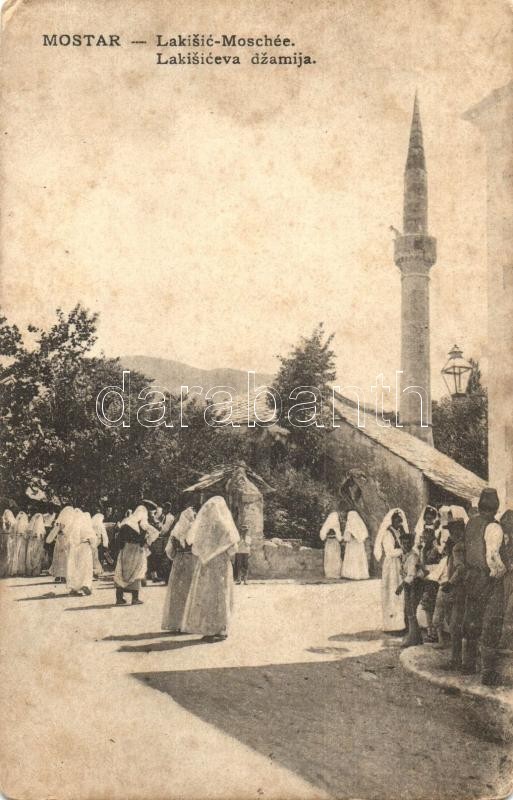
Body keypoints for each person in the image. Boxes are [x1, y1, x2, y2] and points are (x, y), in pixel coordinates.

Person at [181, 496, 240, 642]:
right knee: (219, 595)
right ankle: (219, 629)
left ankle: (213, 629)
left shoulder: (205, 527)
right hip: (220, 565)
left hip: (206, 566)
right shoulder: (225, 526)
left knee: (208, 595)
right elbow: (233, 548)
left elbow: (194, 547)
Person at [462, 487, 504, 675]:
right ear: (496, 507)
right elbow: (492, 557)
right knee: (491, 621)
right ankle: (488, 672)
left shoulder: (471, 523)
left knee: (472, 619)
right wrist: (503, 571)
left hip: (470, 577)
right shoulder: (493, 527)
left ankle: (468, 664)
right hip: (486, 578)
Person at [114, 503, 160, 605]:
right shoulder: (143, 523)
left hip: (125, 549)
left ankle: (119, 598)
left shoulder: (126, 522)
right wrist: (147, 543)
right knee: (137, 571)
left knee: (122, 572)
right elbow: (155, 533)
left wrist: (121, 548)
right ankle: (135, 598)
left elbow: (118, 538)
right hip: (136, 550)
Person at [161, 506, 197, 633]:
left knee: (177, 592)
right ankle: (189, 623)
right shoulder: (195, 529)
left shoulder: (176, 531)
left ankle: (176, 623)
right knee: (190, 591)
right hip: (192, 561)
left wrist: (176, 556)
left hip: (178, 562)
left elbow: (169, 551)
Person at [374, 508, 408, 633]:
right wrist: (403, 551)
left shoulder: (400, 531)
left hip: (400, 564)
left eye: (400, 521)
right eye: (396, 520)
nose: (399, 523)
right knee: (392, 592)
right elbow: (389, 551)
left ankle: (400, 624)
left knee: (401, 593)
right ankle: (391, 625)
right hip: (392, 565)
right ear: (391, 520)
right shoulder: (388, 533)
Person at [396, 529, 425, 648]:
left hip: (415, 584)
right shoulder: (404, 555)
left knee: (411, 610)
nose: (406, 545)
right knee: (408, 610)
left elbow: (411, 574)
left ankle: (413, 637)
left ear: (412, 544)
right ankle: (415, 636)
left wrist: (401, 586)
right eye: (403, 543)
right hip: (409, 584)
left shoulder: (413, 556)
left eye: (408, 543)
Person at [67, 511, 96, 596]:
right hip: (85, 548)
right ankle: (85, 585)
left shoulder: (74, 526)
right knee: (86, 567)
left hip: (75, 548)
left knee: (76, 568)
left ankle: (74, 588)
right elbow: (93, 540)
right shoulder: (87, 527)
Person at [47, 506, 74, 583]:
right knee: (62, 558)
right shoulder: (65, 522)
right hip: (63, 540)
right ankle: (61, 575)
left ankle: (62, 575)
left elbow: (55, 532)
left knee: (61, 558)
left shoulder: (63, 522)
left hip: (63, 540)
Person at [149, 502, 175, 583]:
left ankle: (166, 578)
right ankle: (159, 576)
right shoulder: (165, 517)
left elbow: (164, 529)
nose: (163, 510)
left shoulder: (169, 517)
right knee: (159, 557)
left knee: (165, 558)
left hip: (166, 538)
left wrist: (157, 524)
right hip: (163, 538)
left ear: (168, 508)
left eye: (165, 508)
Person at [341, 510, 369, 580]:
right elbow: (364, 535)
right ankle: (360, 574)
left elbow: (346, 538)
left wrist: (348, 537)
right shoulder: (360, 525)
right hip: (359, 545)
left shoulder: (349, 525)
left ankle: (352, 574)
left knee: (352, 558)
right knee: (358, 558)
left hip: (352, 545)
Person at [319, 511, 343, 579]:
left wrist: (327, 536)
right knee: (335, 558)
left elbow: (322, 537)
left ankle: (329, 573)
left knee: (329, 558)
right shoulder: (336, 527)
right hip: (335, 544)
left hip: (329, 543)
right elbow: (339, 538)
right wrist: (340, 537)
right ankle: (335, 573)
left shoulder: (326, 526)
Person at [25, 513, 46, 577]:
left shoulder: (34, 519)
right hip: (37, 540)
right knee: (36, 554)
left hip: (34, 540)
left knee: (33, 554)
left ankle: (32, 571)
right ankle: (35, 571)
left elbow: (29, 530)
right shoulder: (39, 518)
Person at [12, 511, 30, 576]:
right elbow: (14, 531)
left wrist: (24, 535)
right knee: (16, 553)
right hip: (18, 539)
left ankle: (21, 570)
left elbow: (27, 531)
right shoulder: (16, 524)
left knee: (22, 554)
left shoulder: (26, 524)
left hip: (23, 540)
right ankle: (15, 569)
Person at [91, 513, 109, 578]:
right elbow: (104, 535)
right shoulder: (101, 524)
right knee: (98, 556)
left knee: (92, 555)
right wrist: (105, 544)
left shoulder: (91, 523)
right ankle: (97, 571)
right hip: (98, 541)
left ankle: (93, 570)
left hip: (92, 541)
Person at [0, 509, 17, 577]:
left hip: (7, 539)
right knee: (5, 555)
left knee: (7, 554)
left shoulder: (9, 523)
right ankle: (4, 571)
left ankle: (6, 571)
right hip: (5, 538)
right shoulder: (4, 522)